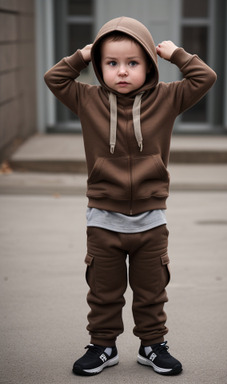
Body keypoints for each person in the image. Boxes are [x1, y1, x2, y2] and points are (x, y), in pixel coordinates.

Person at [44, 16, 216, 377]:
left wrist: (176, 54)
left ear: (149, 66)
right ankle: (102, 346)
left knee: (152, 292)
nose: (122, 72)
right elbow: (54, 78)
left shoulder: (167, 98)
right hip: (103, 220)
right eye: (111, 63)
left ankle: (153, 345)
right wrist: (83, 54)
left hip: (151, 221)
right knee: (103, 292)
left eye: (132, 63)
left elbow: (205, 78)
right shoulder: (86, 99)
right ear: (99, 66)